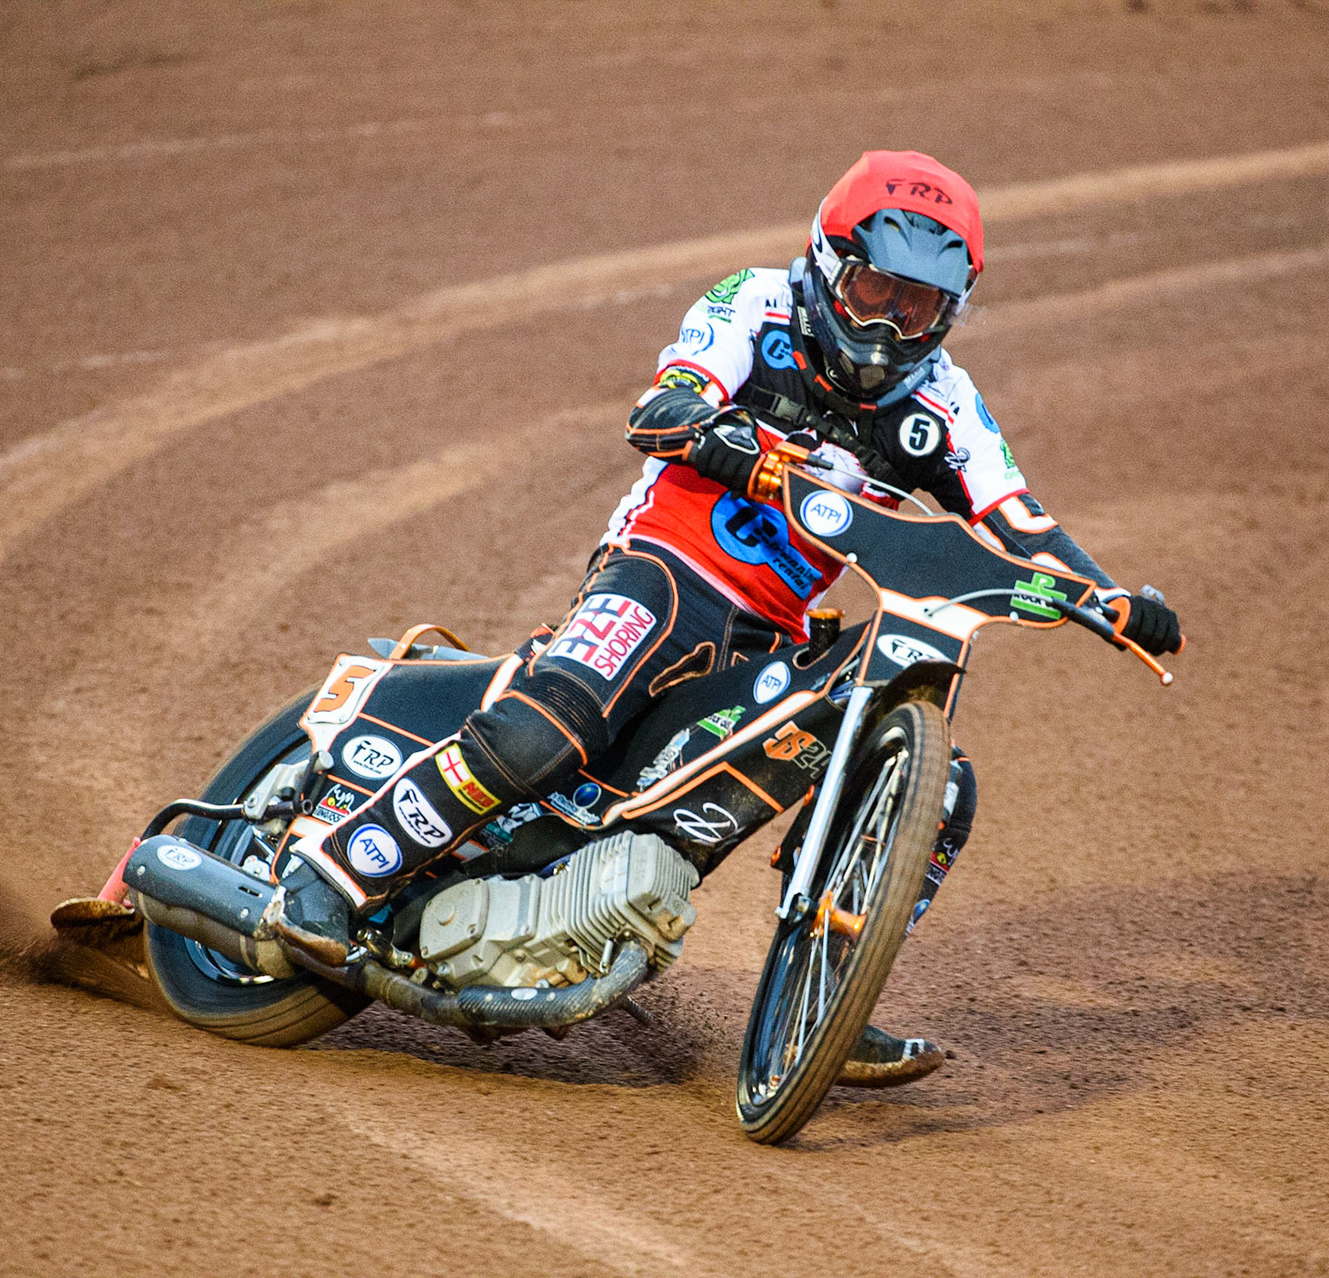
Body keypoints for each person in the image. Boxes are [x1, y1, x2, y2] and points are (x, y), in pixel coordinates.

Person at [313, 151, 1181, 1084]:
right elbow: (663, 404)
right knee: (549, 728)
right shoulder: (754, 303)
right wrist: (718, 435)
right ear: (824, 265)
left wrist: (1113, 599)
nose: (888, 323)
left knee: (937, 785)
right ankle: (333, 877)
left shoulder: (946, 403)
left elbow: (1018, 522)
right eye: (871, 290)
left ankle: (830, 990)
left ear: (951, 313)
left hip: (772, 631)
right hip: (664, 570)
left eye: (918, 308)